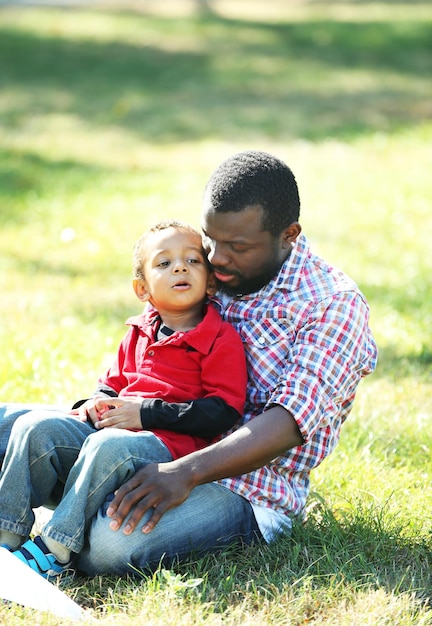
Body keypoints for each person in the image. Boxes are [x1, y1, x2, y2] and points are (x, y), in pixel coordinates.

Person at [68, 150, 377, 576]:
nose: (216, 257)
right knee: (15, 429)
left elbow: (287, 423)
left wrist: (183, 473)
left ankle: (67, 520)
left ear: (289, 235)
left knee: (106, 548)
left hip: (245, 488)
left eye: (238, 247)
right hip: (153, 437)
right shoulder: (213, 273)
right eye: (210, 240)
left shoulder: (331, 305)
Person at [0, 220, 247, 580]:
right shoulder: (138, 332)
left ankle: (56, 550)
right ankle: (8, 533)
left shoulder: (219, 338)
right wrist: (95, 401)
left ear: (210, 281)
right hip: (113, 433)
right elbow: (112, 385)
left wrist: (144, 414)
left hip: (166, 448)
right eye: (164, 263)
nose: (179, 267)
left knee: (108, 445)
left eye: (193, 261)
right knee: (33, 427)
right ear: (142, 288)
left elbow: (222, 412)